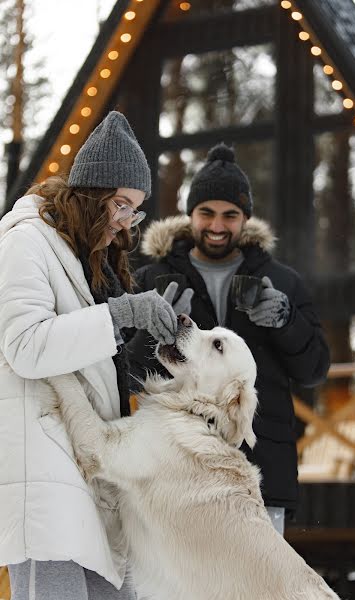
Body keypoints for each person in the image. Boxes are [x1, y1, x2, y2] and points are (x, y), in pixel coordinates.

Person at [0, 111, 178, 599]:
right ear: (91, 193)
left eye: (135, 211)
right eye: (121, 204)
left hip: (87, 465)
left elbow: (92, 361)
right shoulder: (25, 242)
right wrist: (121, 314)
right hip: (42, 467)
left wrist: (151, 340)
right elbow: (26, 346)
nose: (125, 221)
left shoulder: (83, 254)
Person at [127, 143, 330, 535]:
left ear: (245, 219)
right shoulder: (154, 280)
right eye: (207, 213)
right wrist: (155, 331)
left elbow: (314, 369)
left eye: (230, 215)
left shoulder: (283, 282)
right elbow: (127, 373)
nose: (217, 226)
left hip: (261, 468)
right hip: (176, 469)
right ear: (191, 215)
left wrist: (285, 320)